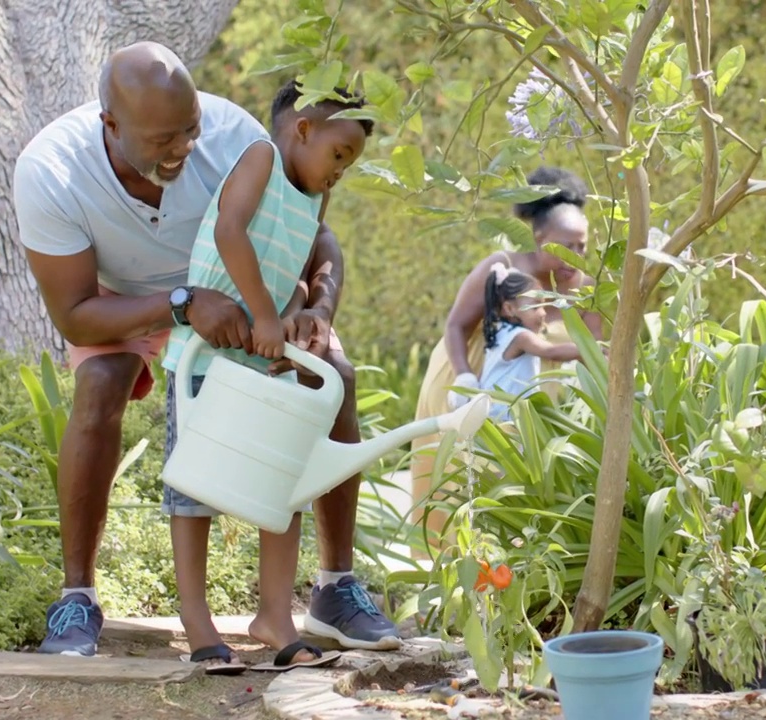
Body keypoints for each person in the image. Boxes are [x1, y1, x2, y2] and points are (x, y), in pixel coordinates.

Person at [12, 41, 401, 659]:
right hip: (127, 303)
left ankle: (332, 587)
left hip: (239, 303)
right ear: (110, 125)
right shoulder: (52, 172)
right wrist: (181, 302)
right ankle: (77, 597)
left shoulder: (232, 137)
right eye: (163, 140)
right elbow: (76, 316)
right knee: (102, 383)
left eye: (189, 130)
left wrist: (314, 312)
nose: (184, 149)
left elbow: (308, 232)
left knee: (333, 376)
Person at [156, 78, 373, 673]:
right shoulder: (259, 157)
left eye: (350, 163)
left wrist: (302, 310)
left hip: (263, 357)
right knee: (194, 490)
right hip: (207, 357)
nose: (340, 171)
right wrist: (266, 314)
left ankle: (274, 616)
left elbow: (296, 261)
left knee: (282, 487)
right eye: (338, 154)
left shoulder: (314, 199)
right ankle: (196, 620)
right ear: (303, 129)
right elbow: (230, 232)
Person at [408, 166, 604, 541]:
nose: (575, 257)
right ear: (537, 237)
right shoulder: (505, 271)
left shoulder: (589, 289)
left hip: (541, 414)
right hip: (477, 390)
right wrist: (465, 381)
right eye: (565, 247)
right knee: (460, 491)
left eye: (582, 245)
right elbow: (455, 326)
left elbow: (595, 351)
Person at [476, 263, 581, 423]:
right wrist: (589, 350)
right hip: (507, 420)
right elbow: (551, 352)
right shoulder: (521, 337)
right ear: (509, 309)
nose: (543, 313)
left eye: (543, 305)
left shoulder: (499, 334)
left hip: (490, 418)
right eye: (535, 306)